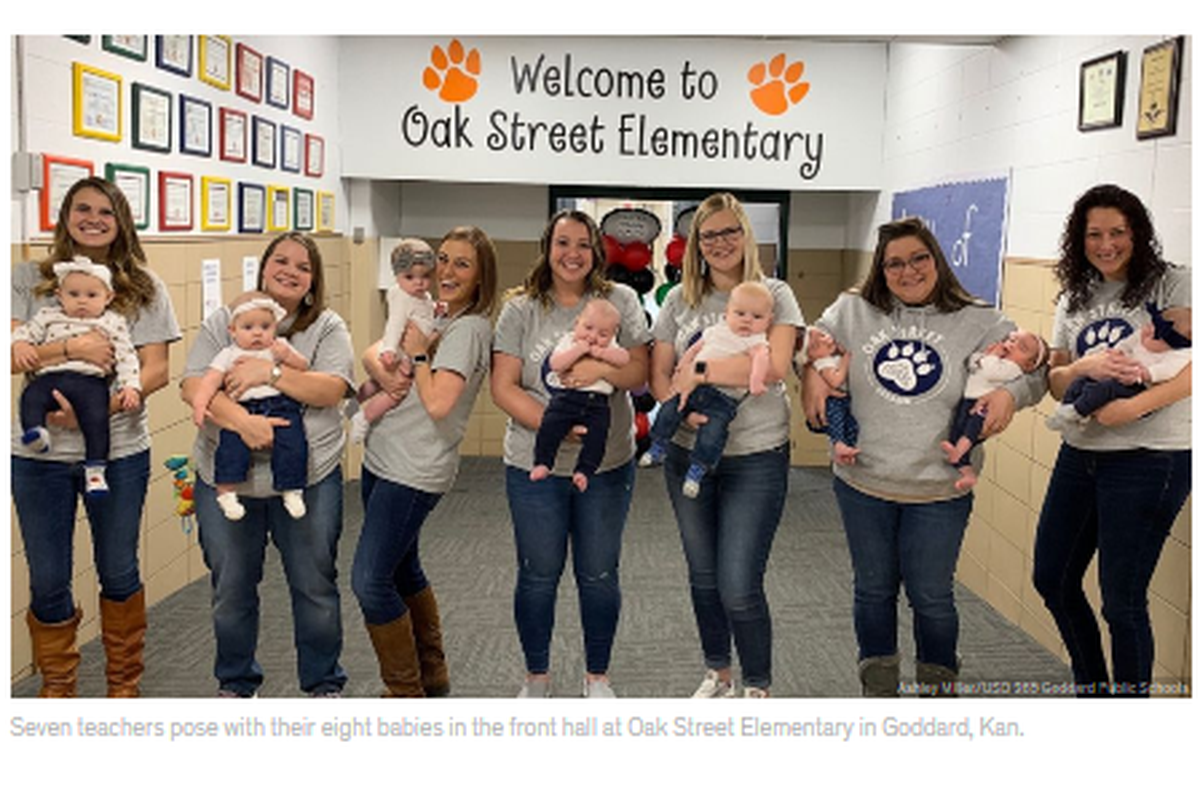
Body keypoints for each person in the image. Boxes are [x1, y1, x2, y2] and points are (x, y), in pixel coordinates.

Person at [802, 216, 1044, 697]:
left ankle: (938, 694)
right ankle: (879, 692)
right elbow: (811, 346)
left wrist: (1010, 397)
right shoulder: (853, 309)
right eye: (894, 263)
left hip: (939, 488)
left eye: (918, 258)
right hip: (863, 482)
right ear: (880, 268)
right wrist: (809, 370)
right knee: (872, 591)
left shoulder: (981, 319)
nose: (907, 271)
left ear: (936, 258)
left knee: (931, 597)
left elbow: (1037, 371)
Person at [11, 176, 180, 697]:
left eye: (105, 211)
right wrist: (75, 350)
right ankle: (59, 686)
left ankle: (122, 684)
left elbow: (155, 370)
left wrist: (95, 413)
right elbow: (13, 352)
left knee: (118, 567)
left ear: (121, 220)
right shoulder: (27, 279)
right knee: (47, 577)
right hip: (38, 455)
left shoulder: (145, 287)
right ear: (64, 217)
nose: (93, 219)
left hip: (119, 450)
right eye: (81, 209)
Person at [1033, 184, 1191, 697]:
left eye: (1118, 232)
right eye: (1094, 234)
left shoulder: (1174, 284)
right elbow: (1057, 381)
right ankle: (1093, 692)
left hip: (1152, 458)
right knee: (1052, 579)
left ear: (1137, 233)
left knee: (1121, 600)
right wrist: (1085, 367)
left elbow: (1192, 369)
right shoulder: (1074, 296)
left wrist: (1131, 408)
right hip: (1081, 451)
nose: (1106, 244)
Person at [181, 232, 353, 698]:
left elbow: (331, 389)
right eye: (281, 261)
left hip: (307, 479)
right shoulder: (226, 320)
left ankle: (323, 685)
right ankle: (236, 684)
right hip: (227, 480)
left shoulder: (327, 326)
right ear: (263, 268)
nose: (290, 271)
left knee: (314, 585)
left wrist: (270, 373)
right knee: (231, 589)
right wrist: (240, 421)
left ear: (313, 280)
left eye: (303, 266)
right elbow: (194, 383)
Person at [648, 192, 802, 698]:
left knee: (739, 583)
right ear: (695, 243)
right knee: (703, 576)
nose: (719, 243)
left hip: (757, 455)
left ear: (745, 235)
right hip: (689, 452)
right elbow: (659, 378)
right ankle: (720, 672)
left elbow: (774, 366)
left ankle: (757, 685)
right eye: (708, 235)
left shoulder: (774, 292)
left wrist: (696, 372)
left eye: (729, 231)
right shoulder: (678, 300)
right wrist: (681, 398)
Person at [492, 209, 651, 698]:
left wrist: (597, 367)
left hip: (606, 463)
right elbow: (504, 387)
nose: (572, 254)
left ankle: (597, 678)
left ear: (596, 252)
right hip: (533, 464)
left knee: (599, 574)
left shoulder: (619, 300)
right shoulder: (521, 308)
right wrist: (556, 430)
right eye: (563, 243)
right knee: (538, 574)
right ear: (547, 248)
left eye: (583, 244)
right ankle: (536, 677)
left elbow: (639, 373)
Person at [352, 226, 496, 698]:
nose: (447, 271)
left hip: (412, 471)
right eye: (443, 259)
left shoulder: (468, 328)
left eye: (462, 263)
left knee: (370, 581)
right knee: (401, 569)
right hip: (385, 457)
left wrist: (414, 353)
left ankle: (404, 692)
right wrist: (390, 363)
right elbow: (377, 351)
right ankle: (431, 676)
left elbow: (438, 404)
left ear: (481, 276)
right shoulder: (437, 314)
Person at [13, 257, 142, 495]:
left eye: (92, 295)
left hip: (89, 383)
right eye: (73, 294)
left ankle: (95, 471)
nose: (82, 301)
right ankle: (36, 432)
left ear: (108, 297)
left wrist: (130, 387)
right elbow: (24, 333)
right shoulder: (47, 315)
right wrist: (20, 344)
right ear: (59, 295)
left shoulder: (112, 322)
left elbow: (126, 356)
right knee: (31, 396)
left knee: (96, 420)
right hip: (50, 378)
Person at [640, 281, 775, 499]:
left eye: (757, 317)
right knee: (670, 408)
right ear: (726, 313)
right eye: (740, 313)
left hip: (723, 398)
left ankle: (697, 470)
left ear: (769, 320)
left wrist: (756, 381)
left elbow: (761, 361)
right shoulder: (715, 331)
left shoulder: (757, 341)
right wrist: (683, 366)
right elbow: (694, 349)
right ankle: (658, 445)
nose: (747, 320)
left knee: (713, 433)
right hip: (692, 388)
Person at [188, 291, 311, 521]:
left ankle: (292, 488)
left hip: (279, 404)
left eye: (265, 326)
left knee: (293, 441)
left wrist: (288, 357)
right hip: (241, 407)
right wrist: (200, 405)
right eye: (248, 327)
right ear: (232, 331)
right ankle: (226, 491)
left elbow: (304, 368)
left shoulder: (278, 348)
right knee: (230, 445)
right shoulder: (228, 354)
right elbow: (210, 381)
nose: (257, 333)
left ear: (275, 328)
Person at [531, 297, 631, 491]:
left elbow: (624, 359)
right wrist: (578, 350)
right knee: (549, 426)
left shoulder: (610, 346)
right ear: (577, 322)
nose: (593, 337)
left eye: (603, 333)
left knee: (598, 438)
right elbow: (556, 364)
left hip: (598, 403)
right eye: (588, 328)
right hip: (567, 398)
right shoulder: (569, 341)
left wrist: (602, 354)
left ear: (613, 334)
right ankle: (543, 462)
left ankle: (584, 471)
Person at [348, 238, 438, 443]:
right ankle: (364, 417)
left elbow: (426, 316)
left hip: (410, 350)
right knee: (397, 392)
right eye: (410, 277)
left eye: (425, 276)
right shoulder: (401, 297)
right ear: (396, 276)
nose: (419, 282)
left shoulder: (423, 296)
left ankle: (354, 401)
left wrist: (435, 310)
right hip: (401, 353)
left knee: (377, 383)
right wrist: (388, 350)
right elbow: (395, 324)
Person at [940, 329, 1049, 490]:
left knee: (970, 430)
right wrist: (981, 358)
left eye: (1022, 348)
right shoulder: (997, 360)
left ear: (1029, 365)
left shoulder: (1013, 369)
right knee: (958, 429)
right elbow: (973, 362)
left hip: (982, 406)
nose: (1011, 345)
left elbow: (992, 371)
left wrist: (991, 356)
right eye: (1012, 340)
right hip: (968, 401)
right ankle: (965, 469)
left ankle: (958, 453)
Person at [1045, 312, 1189, 431]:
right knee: (1080, 382)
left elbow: (1169, 369)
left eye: (1155, 334)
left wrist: (1146, 374)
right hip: (1080, 444)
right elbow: (1127, 343)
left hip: (1136, 386)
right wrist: (1117, 352)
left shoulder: (1177, 354)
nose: (1147, 332)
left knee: (1101, 389)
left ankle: (1077, 412)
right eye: (1150, 324)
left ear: (1172, 345)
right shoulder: (1142, 336)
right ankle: (1066, 411)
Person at [802, 328, 859, 465]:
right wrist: (845, 359)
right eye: (816, 346)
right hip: (834, 400)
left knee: (850, 425)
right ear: (810, 357)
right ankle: (839, 444)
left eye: (823, 335)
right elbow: (835, 380)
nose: (824, 341)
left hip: (845, 398)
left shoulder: (831, 356)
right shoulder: (822, 363)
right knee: (837, 421)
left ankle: (847, 447)